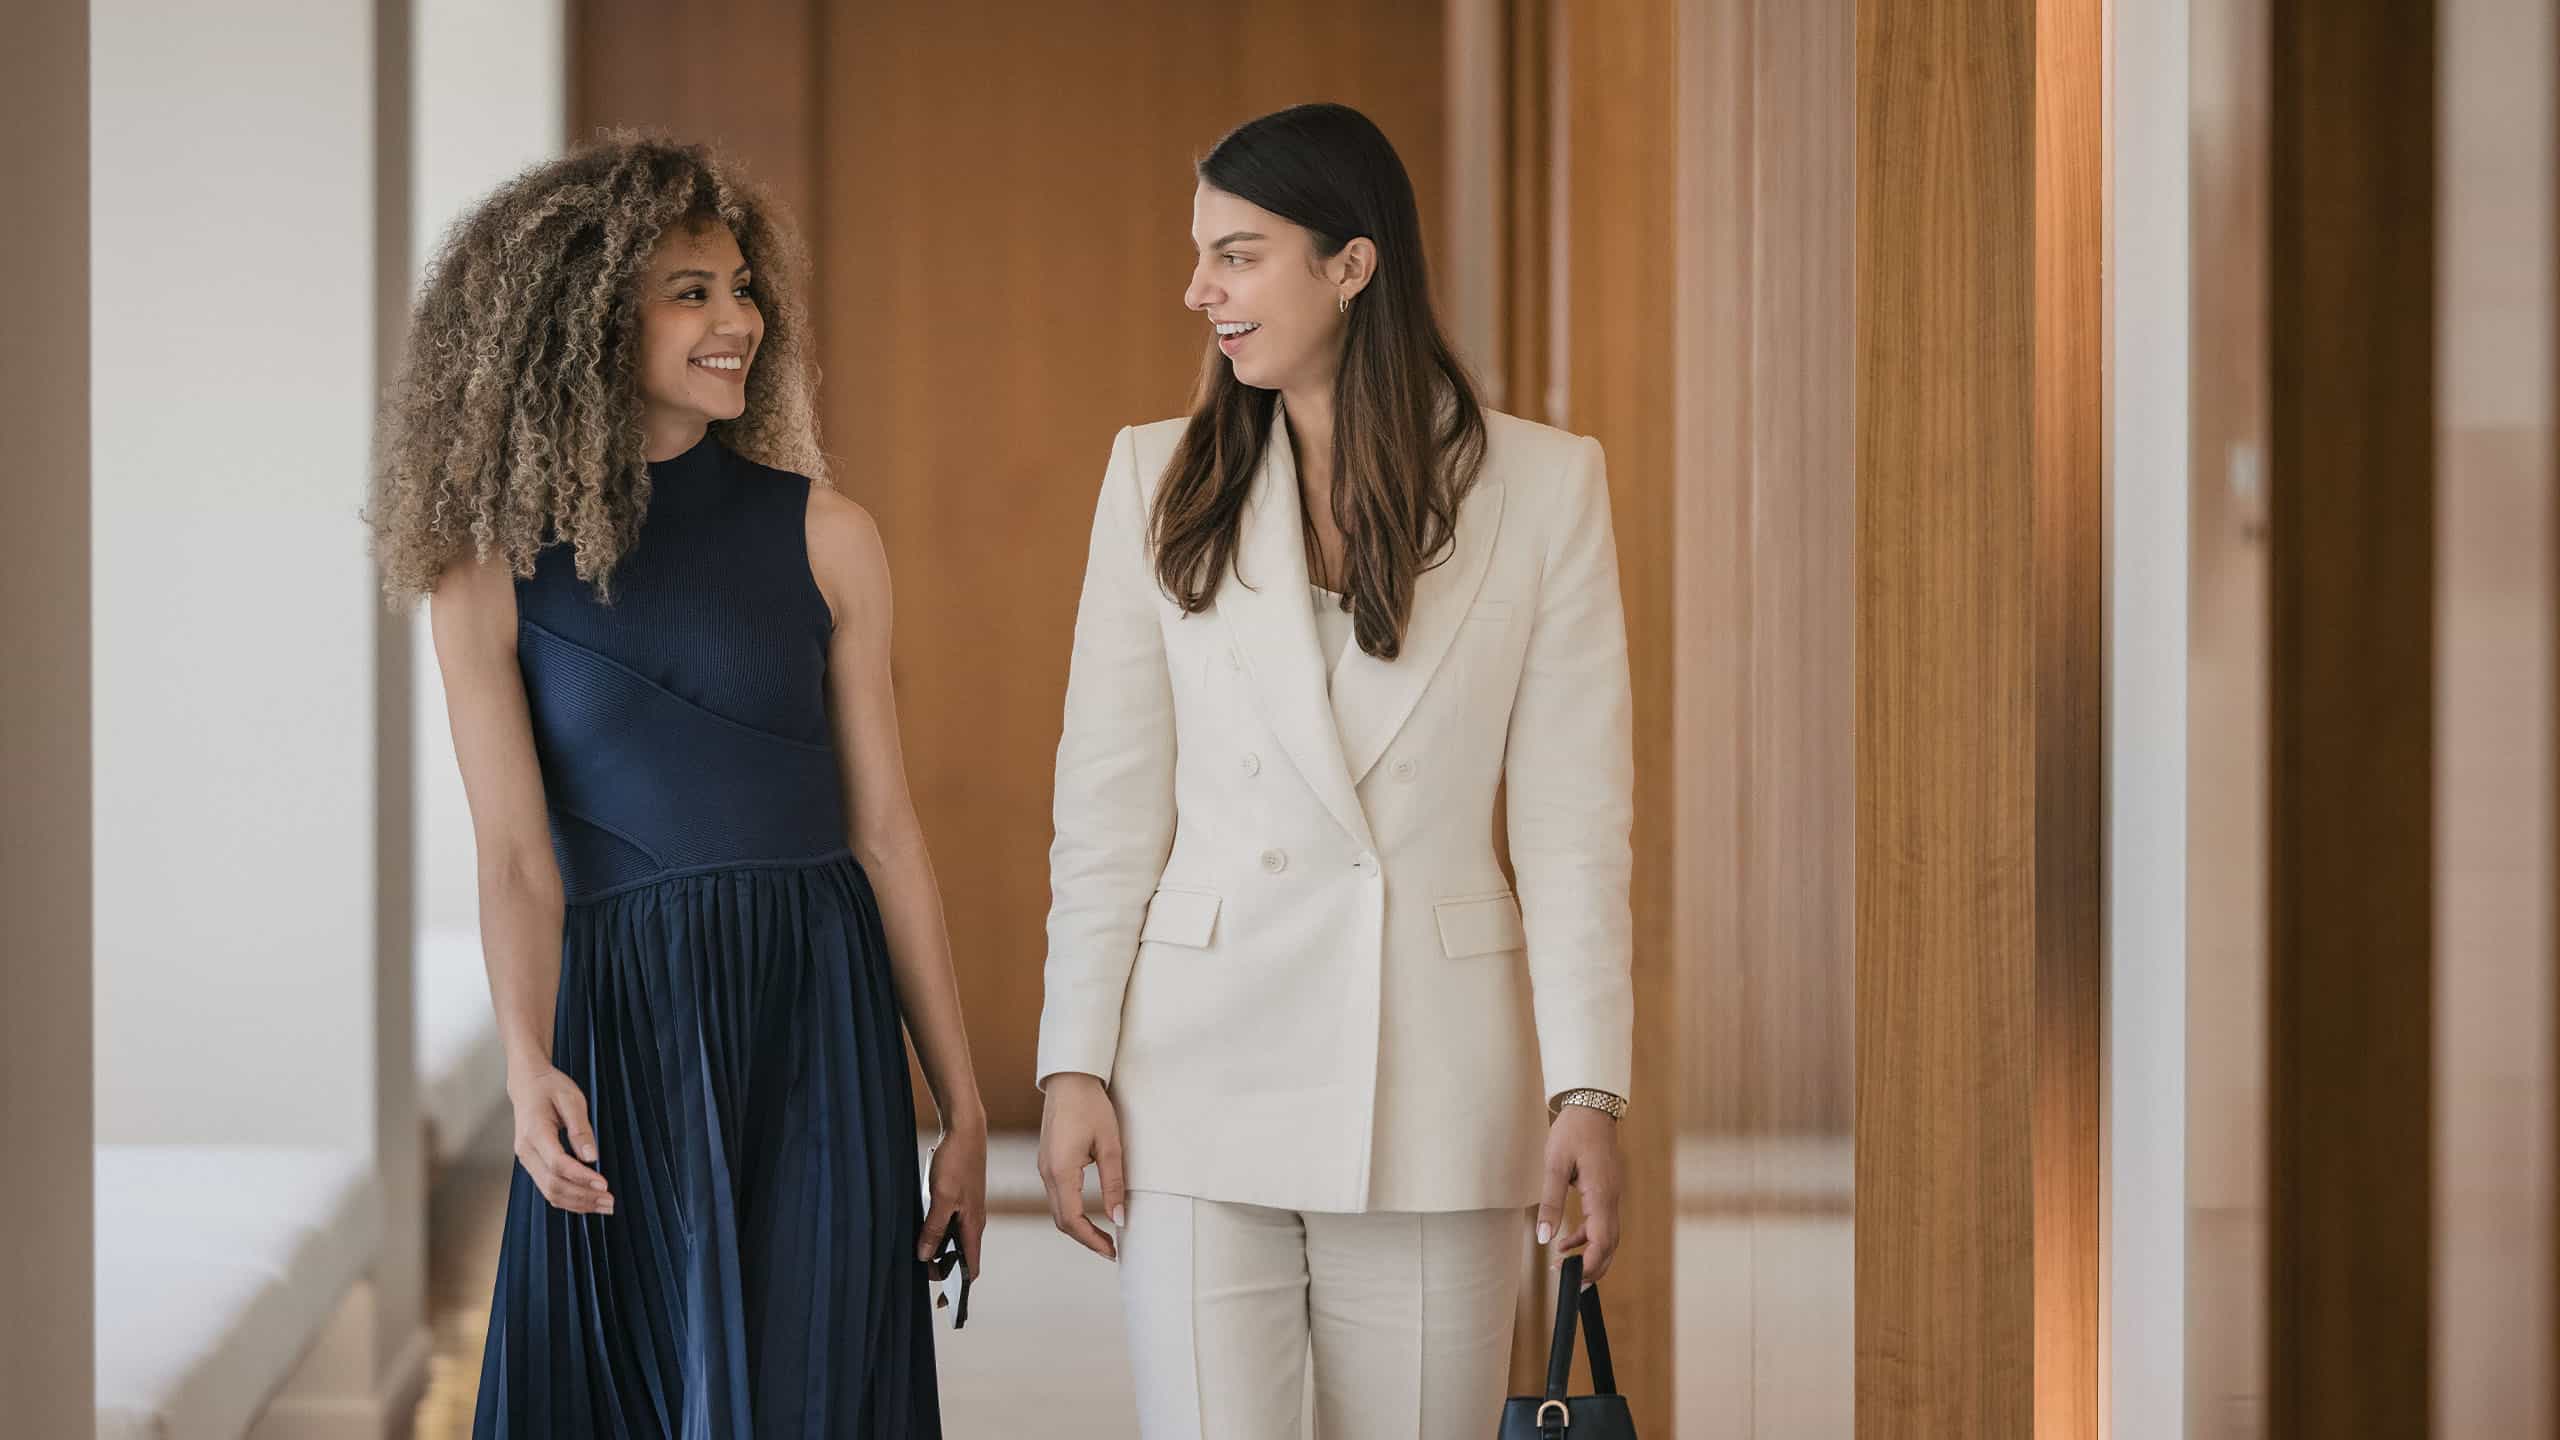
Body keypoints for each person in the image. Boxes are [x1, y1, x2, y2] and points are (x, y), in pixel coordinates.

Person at [367, 133, 982, 1437]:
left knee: (811, 1383)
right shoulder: (486, 575)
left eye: (743, 288)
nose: (736, 321)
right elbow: (515, 859)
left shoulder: (829, 535)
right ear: (584, 322)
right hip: (619, 1024)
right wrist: (526, 1063)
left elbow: (886, 833)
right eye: (690, 292)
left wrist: (965, 1106)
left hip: (815, 1011)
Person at [1035, 102, 1636, 1438]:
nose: (1200, 291)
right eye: (1200, 255)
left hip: (1432, 1086)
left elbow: (1573, 828)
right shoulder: (1155, 478)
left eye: (1238, 256)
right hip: (1193, 1076)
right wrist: (1073, 1060)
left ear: (1351, 265)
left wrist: (1587, 1086)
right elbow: (1108, 808)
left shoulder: (1544, 488)